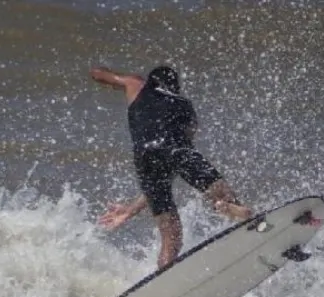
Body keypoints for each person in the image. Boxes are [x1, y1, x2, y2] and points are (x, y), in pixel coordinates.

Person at [89, 64, 252, 268]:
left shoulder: (136, 86)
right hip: (177, 150)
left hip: (144, 157)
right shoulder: (186, 109)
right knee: (224, 196)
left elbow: (101, 75)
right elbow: (181, 157)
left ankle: (163, 275)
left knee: (171, 239)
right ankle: (230, 208)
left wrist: (130, 210)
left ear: (151, 82)